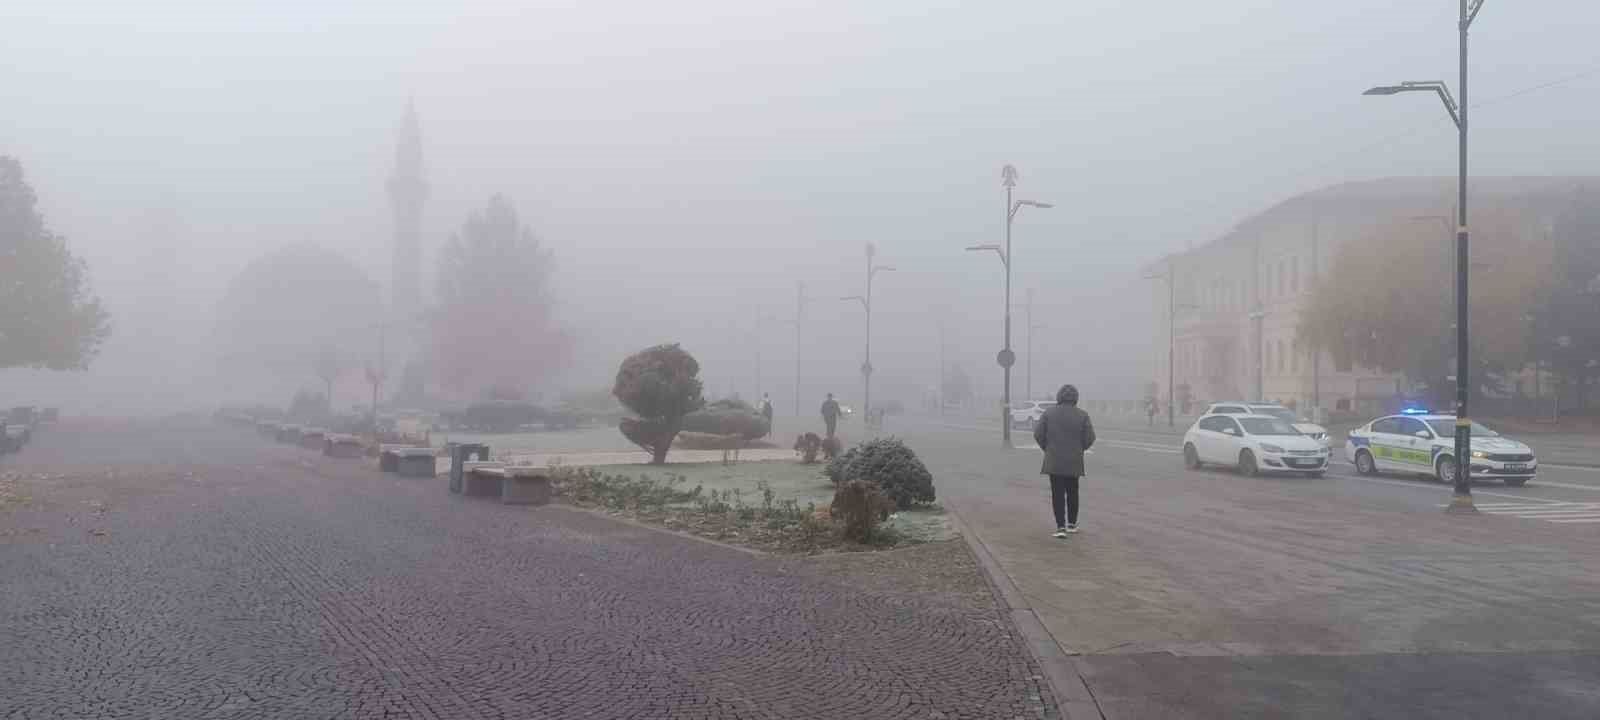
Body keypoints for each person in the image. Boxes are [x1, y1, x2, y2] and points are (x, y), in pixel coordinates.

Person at [1034, 384, 1095, 538]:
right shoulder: (1083, 415)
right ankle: (1072, 524)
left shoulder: (1049, 413)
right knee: (1073, 491)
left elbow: (1038, 434)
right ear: (1075, 398)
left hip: (1054, 461)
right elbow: (1090, 437)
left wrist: (1047, 449)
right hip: (1074, 461)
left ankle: (1060, 527)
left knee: (1057, 493)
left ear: (1059, 396)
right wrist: (1080, 449)